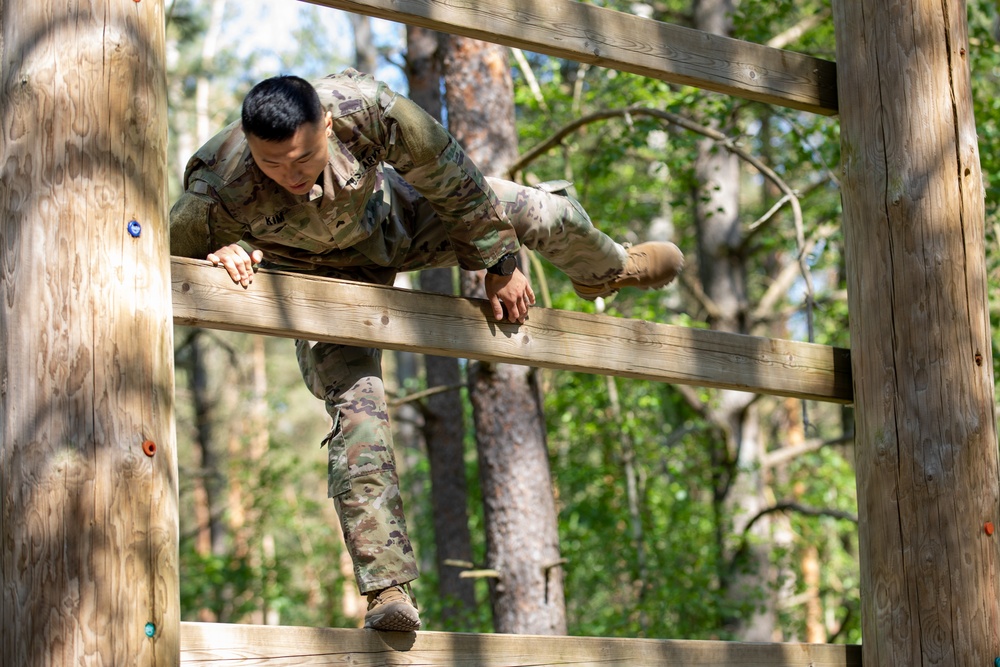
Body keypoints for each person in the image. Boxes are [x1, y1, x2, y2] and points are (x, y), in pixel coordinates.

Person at [169, 69, 684, 632]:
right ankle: (387, 590)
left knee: (534, 209)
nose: (291, 175)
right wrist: (217, 255)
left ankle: (609, 268)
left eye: (304, 157)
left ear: (329, 125)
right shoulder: (216, 186)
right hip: (319, 285)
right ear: (250, 147)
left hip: (398, 220)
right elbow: (159, 265)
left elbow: (449, 172)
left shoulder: (368, 108)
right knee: (358, 412)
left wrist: (500, 262)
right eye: (274, 164)